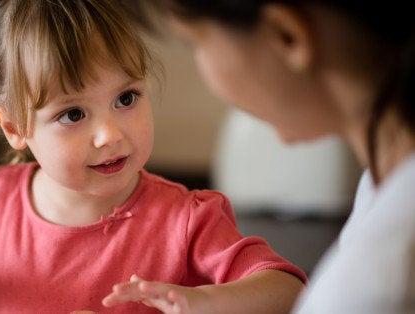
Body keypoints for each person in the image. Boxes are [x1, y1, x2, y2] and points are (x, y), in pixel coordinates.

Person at [0, 0, 307, 313]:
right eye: (73, 113)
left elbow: (288, 292)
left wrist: (201, 302)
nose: (110, 134)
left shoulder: (187, 222)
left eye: (126, 98)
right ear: (14, 127)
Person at [104, 0, 415, 313]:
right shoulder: (383, 193)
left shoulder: (382, 283)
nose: (107, 135)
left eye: (196, 42)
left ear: (287, 36)